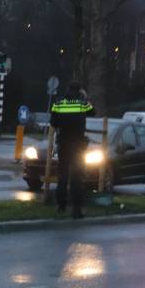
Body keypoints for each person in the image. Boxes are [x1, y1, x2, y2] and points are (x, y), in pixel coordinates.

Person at [49, 81, 94, 219]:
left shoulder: (58, 104)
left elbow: (53, 122)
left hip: (63, 144)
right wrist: (86, 97)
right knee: (77, 176)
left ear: (67, 90)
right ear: (79, 91)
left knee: (62, 175)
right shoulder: (82, 104)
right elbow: (93, 112)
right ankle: (76, 208)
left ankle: (61, 205)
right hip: (78, 145)